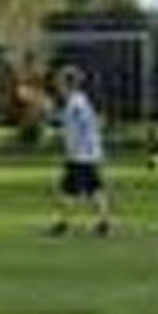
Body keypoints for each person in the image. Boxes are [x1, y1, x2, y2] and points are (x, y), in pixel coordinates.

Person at [48, 65, 112, 237]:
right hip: (88, 153)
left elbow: (82, 125)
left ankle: (64, 224)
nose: (58, 86)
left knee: (67, 190)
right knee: (94, 189)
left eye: (60, 82)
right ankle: (103, 223)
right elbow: (73, 122)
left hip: (80, 155)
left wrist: (77, 146)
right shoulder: (78, 101)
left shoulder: (76, 103)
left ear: (68, 84)